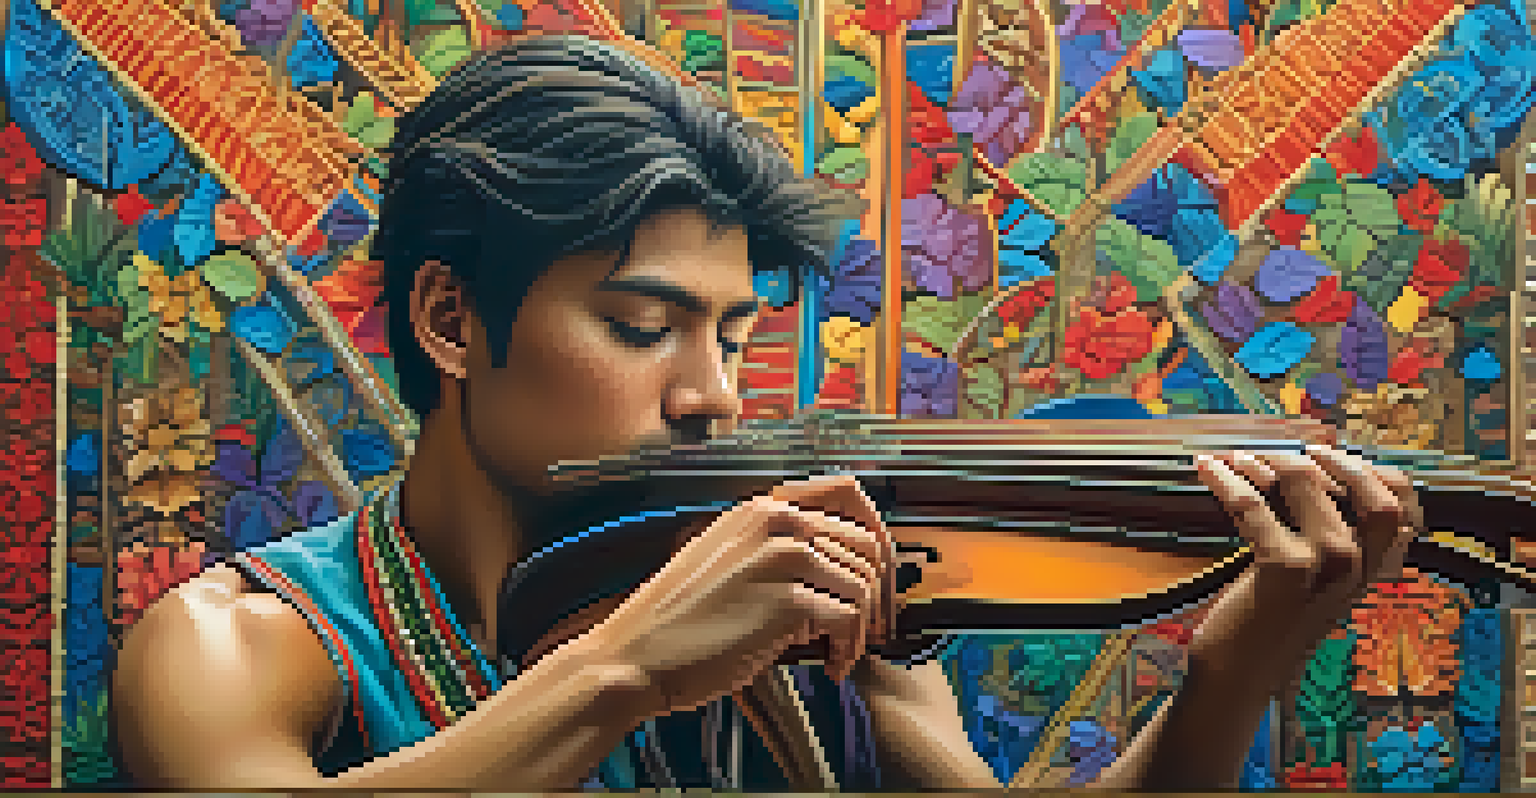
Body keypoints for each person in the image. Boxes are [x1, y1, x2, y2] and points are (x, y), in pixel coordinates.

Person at [111, 34, 1423, 790]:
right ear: (452, 320)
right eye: (642, 325)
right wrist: (624, 669)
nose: (715, 396)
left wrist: (1235, 656)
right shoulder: (239, 648)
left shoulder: (810, 590)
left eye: (731, 333)